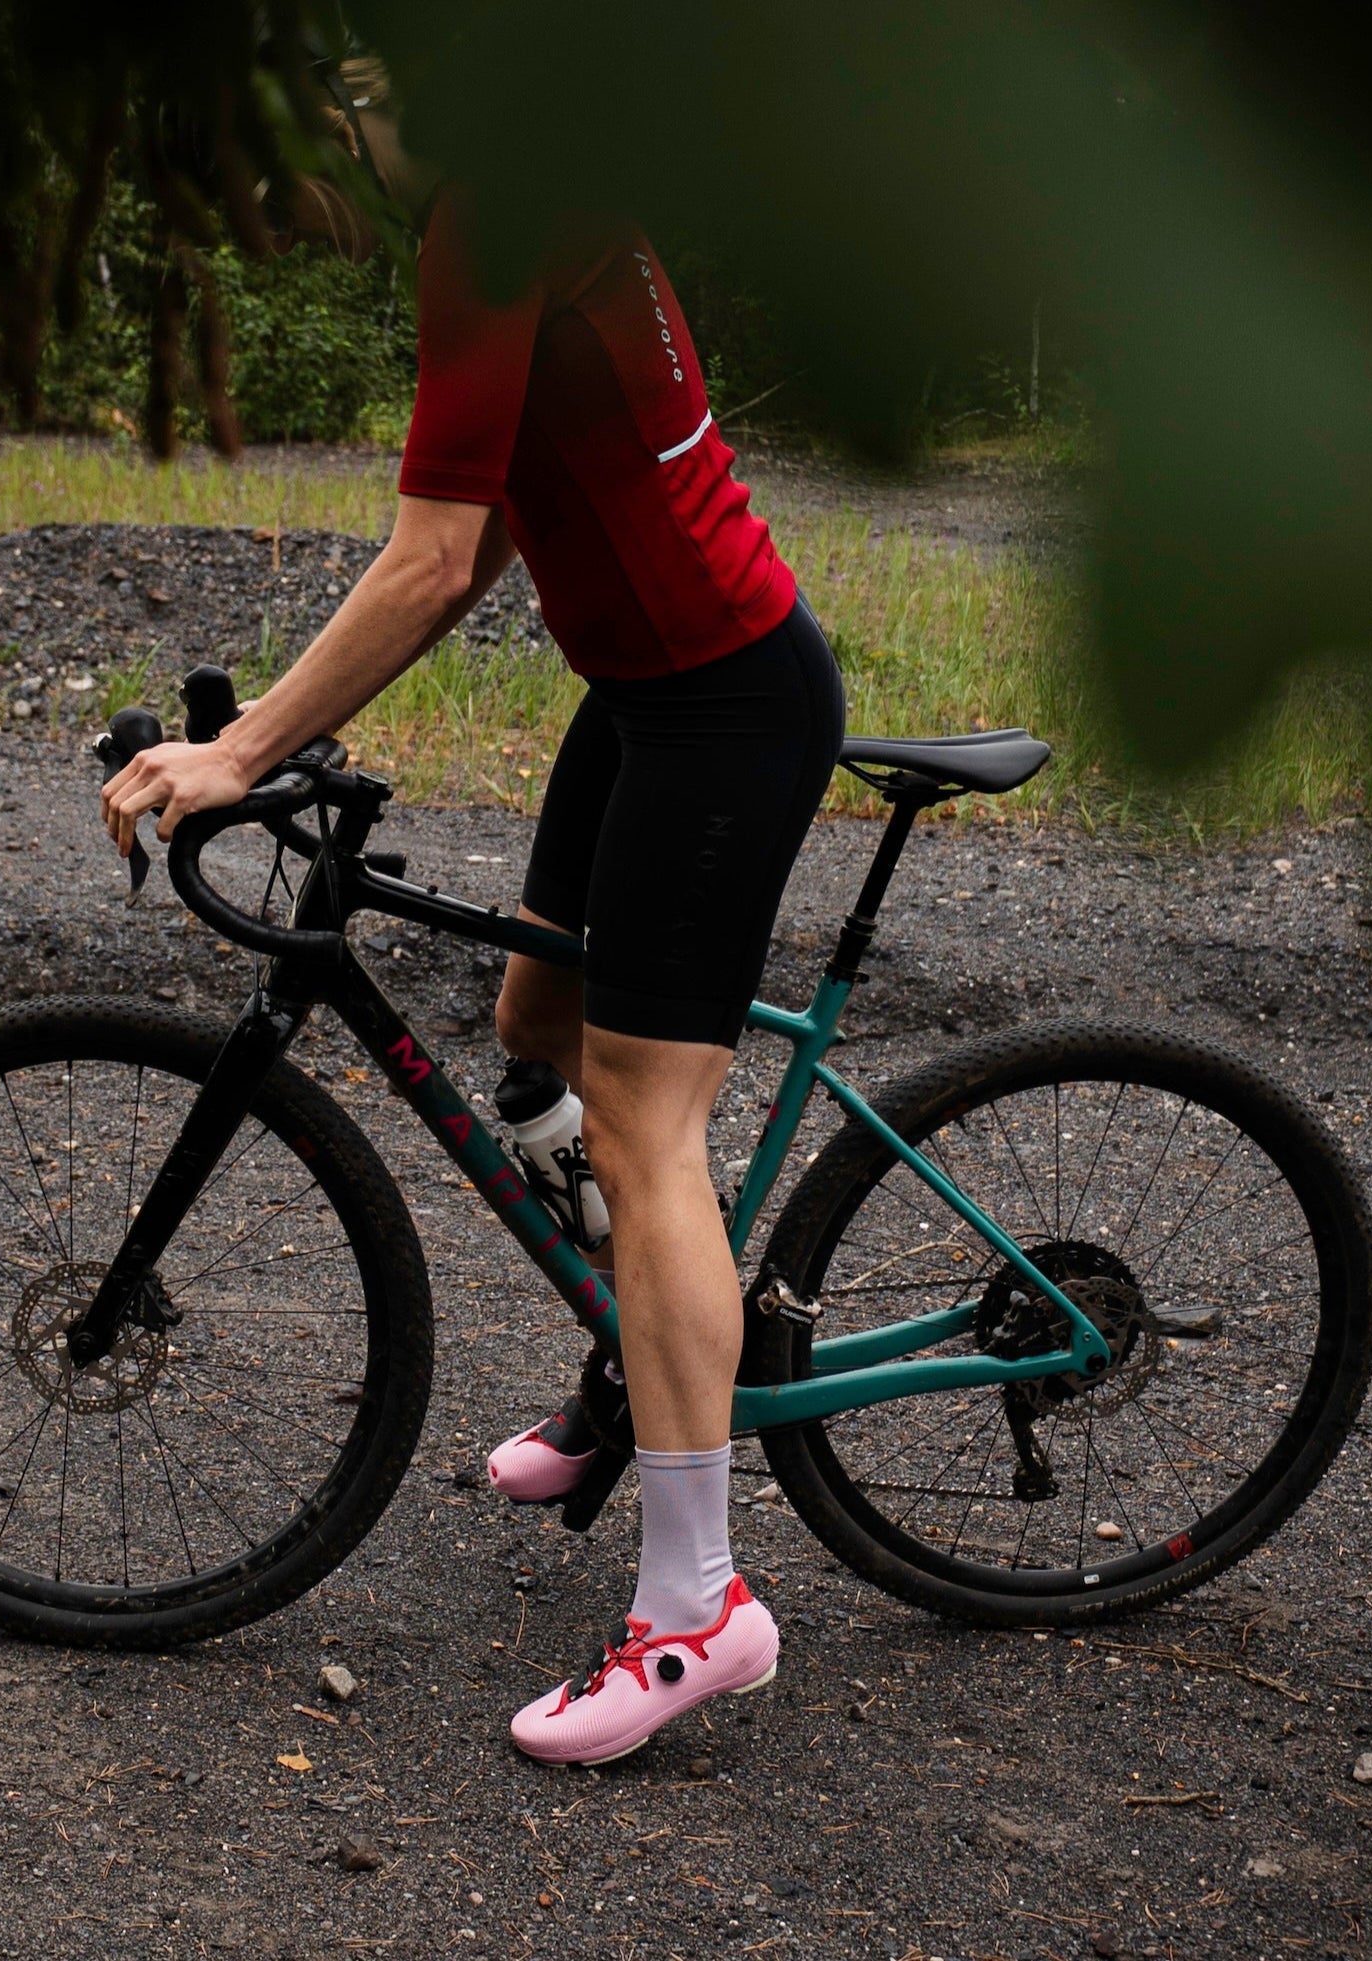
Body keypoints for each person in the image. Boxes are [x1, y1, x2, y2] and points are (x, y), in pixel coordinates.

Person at [98, 102, 843, 1768]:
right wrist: (296, 713)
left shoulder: (491, 221)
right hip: (646, 697)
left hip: (720, 707)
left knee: (650, 1136)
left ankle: (696, 1609)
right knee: (529, 1024)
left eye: (268, 187)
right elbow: (503, 508)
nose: (280, 228)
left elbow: (433, 561)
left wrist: (244, 748)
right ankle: (637, 1364)